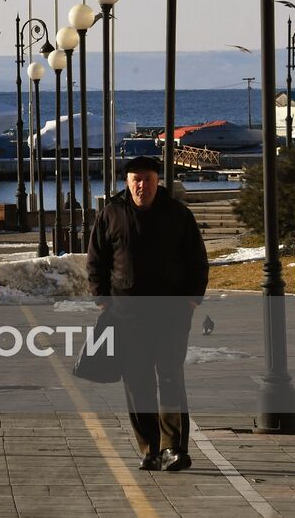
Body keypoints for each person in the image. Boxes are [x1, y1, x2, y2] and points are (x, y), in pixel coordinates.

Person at [87, 155, 209, 473]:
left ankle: (173, 448)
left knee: (170, 378)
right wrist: (103, 301)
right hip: (126, 317)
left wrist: (191, 301)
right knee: (137, 383)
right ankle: (150, 449)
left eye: (149, 180)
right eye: (137, 180)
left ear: (158, 182)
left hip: (171, 315)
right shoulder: (111, 214)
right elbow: (96, 260)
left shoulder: (178, 214)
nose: (143, 186)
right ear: (127, 182)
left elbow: (197, 260)